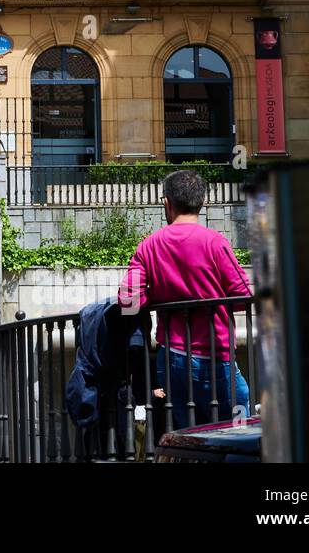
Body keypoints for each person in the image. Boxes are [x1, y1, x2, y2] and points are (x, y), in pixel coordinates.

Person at [120, 170, 253, 430]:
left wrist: (157, 294)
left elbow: (128, 301)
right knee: (237, 430)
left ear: (167, 203)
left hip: (171, 358)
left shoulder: (148, 246)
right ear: (202, 203)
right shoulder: (216, 243)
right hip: (215, 355)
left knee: (191, 432)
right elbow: (242, 296)